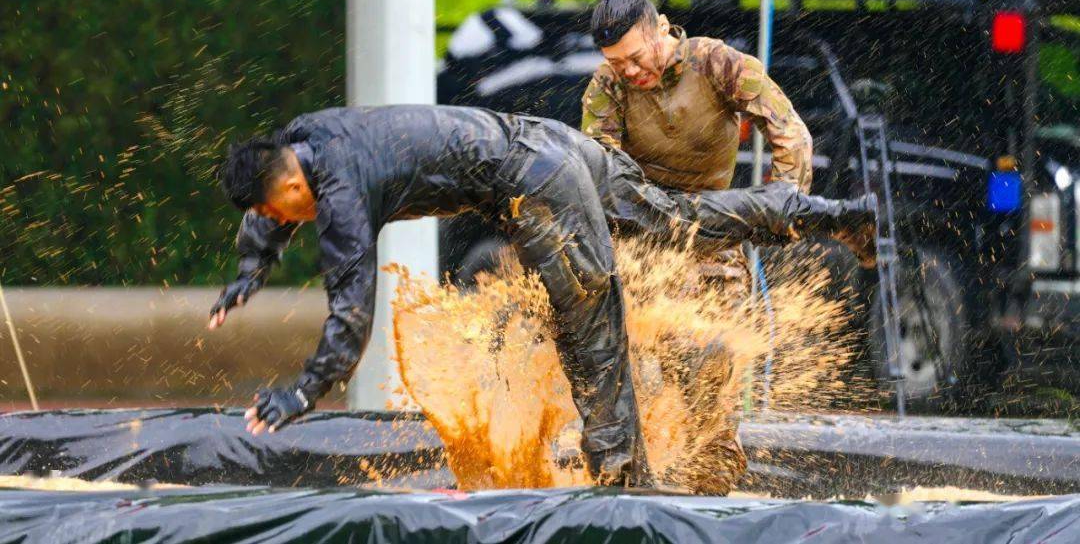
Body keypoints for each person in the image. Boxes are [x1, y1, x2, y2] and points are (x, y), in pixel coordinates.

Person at [208, 105, 876, 488]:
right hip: (552, 141)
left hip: (535, 185)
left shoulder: (343, 196)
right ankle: (833, 213)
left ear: (291, 188)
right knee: (676, 221)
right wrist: (250, 269)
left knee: (588, 326)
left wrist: (303, 389)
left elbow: (352, 314)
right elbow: (261, 212)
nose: (289, 223)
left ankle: (624, 485)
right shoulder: (302, 138)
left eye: (285, 216)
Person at [580, 0, 818, 492]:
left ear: (661, 28)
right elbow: (599, 172)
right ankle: (627, 478)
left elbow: (793, 136)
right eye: (617, 64)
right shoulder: (607, 88)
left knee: (711, 367)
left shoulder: (718, 64)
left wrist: (779, 206)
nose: (630, 72)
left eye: (637, 58)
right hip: (642, 242)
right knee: (636, 363)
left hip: (715, 234)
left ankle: (712, 478)